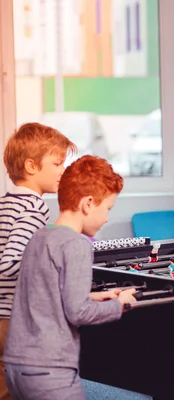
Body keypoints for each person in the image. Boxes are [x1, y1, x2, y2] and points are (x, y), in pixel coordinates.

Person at [3, 155, 138, 400]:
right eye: (107, 208)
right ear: (88, 203)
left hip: (16, 367)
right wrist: (119, 305)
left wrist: (94, 296)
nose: (107, 217)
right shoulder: (76, 244)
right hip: (49, 371)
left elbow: (43, 294)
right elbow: (78, 313)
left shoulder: (40, 236)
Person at [0, 122, 76, 400]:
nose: (62, 171)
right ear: (32, 166)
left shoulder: (4, 203)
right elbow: (10, 263)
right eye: (57, 164)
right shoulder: (34, 208)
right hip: (12, 318)